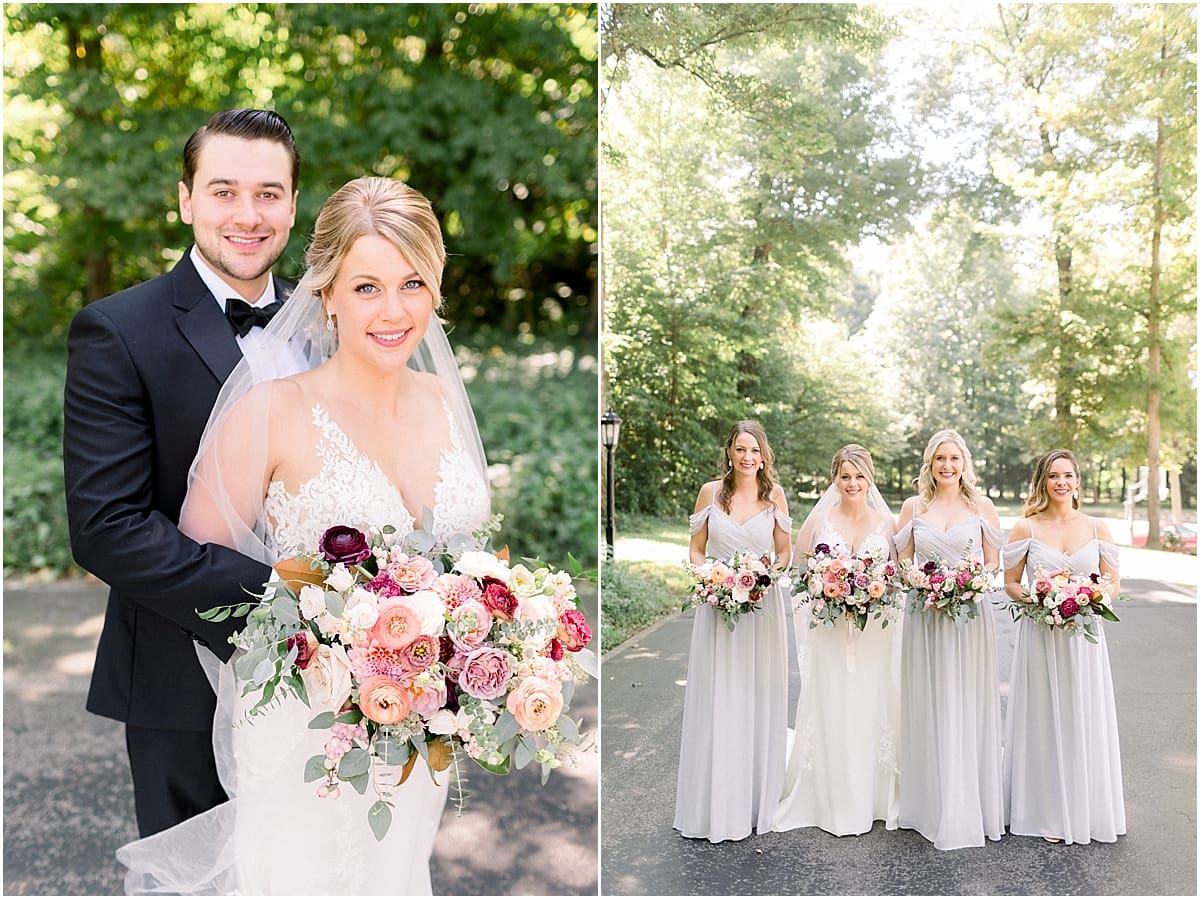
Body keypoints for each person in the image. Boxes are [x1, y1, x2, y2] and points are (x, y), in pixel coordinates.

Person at [115, 176, 492, 894]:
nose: (393, 311)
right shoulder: (270, 413)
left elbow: (464, 564)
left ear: (437, 286)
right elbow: (199, 583)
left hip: (417, 736)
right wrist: (320, 646)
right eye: (366, 287)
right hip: (303, 738)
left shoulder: (445, 400)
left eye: (412, 283)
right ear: (326, 293)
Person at [63, 109, 300, 840]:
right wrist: (284, 603)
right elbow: (107, 529)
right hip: (180, 678)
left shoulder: (328, 324)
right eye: (224, 190)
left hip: (332, 685)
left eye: (268, 193)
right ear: (187, 200)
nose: (247, 215)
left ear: (293, 204)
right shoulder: (118, 330)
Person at [773, 444, 901, 837]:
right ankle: (829, 796)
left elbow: (896, 578)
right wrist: (827, 591)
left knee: (869, 702)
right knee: (831, 700)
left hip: (873, 635)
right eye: (845, 476)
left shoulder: (885, 524)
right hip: (828, 631)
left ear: (870, 478)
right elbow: (796, 572)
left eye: (860, 476)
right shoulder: (820, 521)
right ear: (835, 479)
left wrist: (869, 594)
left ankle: (872, 797)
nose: (852, 483)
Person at [673, 420, 792, 843]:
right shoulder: (710, 493)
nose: (747, 457)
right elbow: (696, 547)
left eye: (754, 450)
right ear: (729, 451)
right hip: (718, 605)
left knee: (756, 693)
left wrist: (763, 579)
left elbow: (783, 552)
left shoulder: (773, 495)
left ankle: (756, 798)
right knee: (719, 694)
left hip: (762, 608)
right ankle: (716, 800)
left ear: (764, 455)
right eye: (740, 449)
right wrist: (710, 578)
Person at [1001, 449, 1125, 844]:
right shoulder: (1027, 529)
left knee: (1081, 715)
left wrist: (1088, 598)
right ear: (1043, 481)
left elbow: (1112, 583)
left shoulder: (1096, 528)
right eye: (1053, 476)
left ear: (1078, 482)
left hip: (1084, 639)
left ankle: (1084, 806)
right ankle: (1045, 810)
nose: (1061, 482)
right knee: (1043, 716)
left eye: (1068, 475)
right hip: (1042, 636)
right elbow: (1012, 583)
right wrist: (1043, 600)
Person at [893, 428, 1004, 849]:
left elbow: (994, 562)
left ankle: (968, 800)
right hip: (925, 616)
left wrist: (968, 583)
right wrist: (924, 584)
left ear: (965, 463)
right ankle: (929, 803)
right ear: (930, 463)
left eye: (954, 459)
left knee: (966, 699)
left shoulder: (983, 507)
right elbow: (902, 562)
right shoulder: (913, 507)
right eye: (940, 458)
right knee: (930, 699)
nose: (947, 466)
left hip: (968, 617)